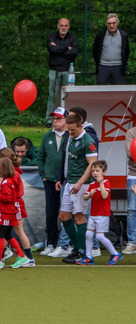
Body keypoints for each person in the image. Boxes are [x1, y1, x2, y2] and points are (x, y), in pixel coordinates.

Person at [57, 112, 99, 263]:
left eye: (73, 130)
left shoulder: (88, 141)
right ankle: (76, 246)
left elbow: (92, 165)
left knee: (79, 217)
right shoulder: (70, 137)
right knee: (64, 216)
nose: (70, 132)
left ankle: (84, 252)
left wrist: (81, 182)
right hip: (70, 182)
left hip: (82, 184)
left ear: (81, 126)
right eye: (68, 129)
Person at [36, 108, 70, 256]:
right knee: (51, 212)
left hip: (66, 179)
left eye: (59, 119)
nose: (55, 121)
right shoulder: (47, 136)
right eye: (54, 119)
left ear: (66, 119)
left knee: (68, 213)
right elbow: (40, 156)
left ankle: (67, 244)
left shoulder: (71, 135)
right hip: (50, 180)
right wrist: (43, 174)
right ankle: (51, 242)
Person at [80, 161, 122, 265]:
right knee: (88, 234)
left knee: (99, 236)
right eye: (93, 171)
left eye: (97, 170)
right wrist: (90, 194)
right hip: (93, 214)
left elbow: (104, 195)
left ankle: (115, 253)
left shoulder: (106, 183)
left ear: (104, 172)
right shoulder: (91, 185)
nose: (95, 173)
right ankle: (88, 257)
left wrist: (101, 183)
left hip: (102, 214)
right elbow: (85, 198)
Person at [47, 18, 79, 117]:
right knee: (52, 96)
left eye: (65, 26)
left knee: (68, 95)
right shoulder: (52, 36)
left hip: (68, 70)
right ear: (58, 26)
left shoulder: (73, 38)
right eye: (61, 25)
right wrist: (66, 48)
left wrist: (58, 49)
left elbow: (74, 53)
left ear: (68, 26)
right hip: (54, 70)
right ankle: (49, 119)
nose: (63, 28)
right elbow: (52, 50)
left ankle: (67, 117)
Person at [93, 13, 129, 85]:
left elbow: (127, 51)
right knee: (100, 91)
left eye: (113, 23)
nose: (111, 25)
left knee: (119, 92)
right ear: (106, 24)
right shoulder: (100, 35)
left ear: (117, 23)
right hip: (103, 67)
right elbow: (95, 50)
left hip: (118, 67)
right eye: (109, 23)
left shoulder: (123, 35)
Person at [124, 124, 136, 254]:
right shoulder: (131, 132)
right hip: (134, 175)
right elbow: (130, 152)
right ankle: (132, 242)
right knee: (132, 209)